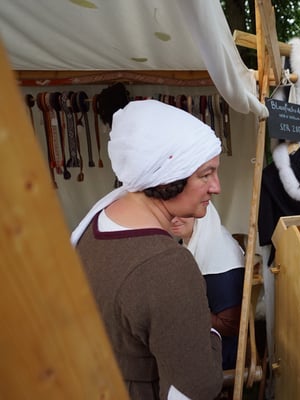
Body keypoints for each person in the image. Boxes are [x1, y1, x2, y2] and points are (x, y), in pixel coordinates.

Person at [71, 99, 223, 400]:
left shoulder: (97, 225)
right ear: (168, 177)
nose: (216, 187)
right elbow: (195, 388)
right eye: (205, 174)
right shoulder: (167, 266)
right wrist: (211, 336)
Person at [170, 201, 245, 371]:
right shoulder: (197, 241)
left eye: (183, 212)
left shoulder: (219, 255)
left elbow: (230, 326)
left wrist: (184, 308)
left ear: (201, 213)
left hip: (219, 354)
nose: (174, 219)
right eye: (171, 212)